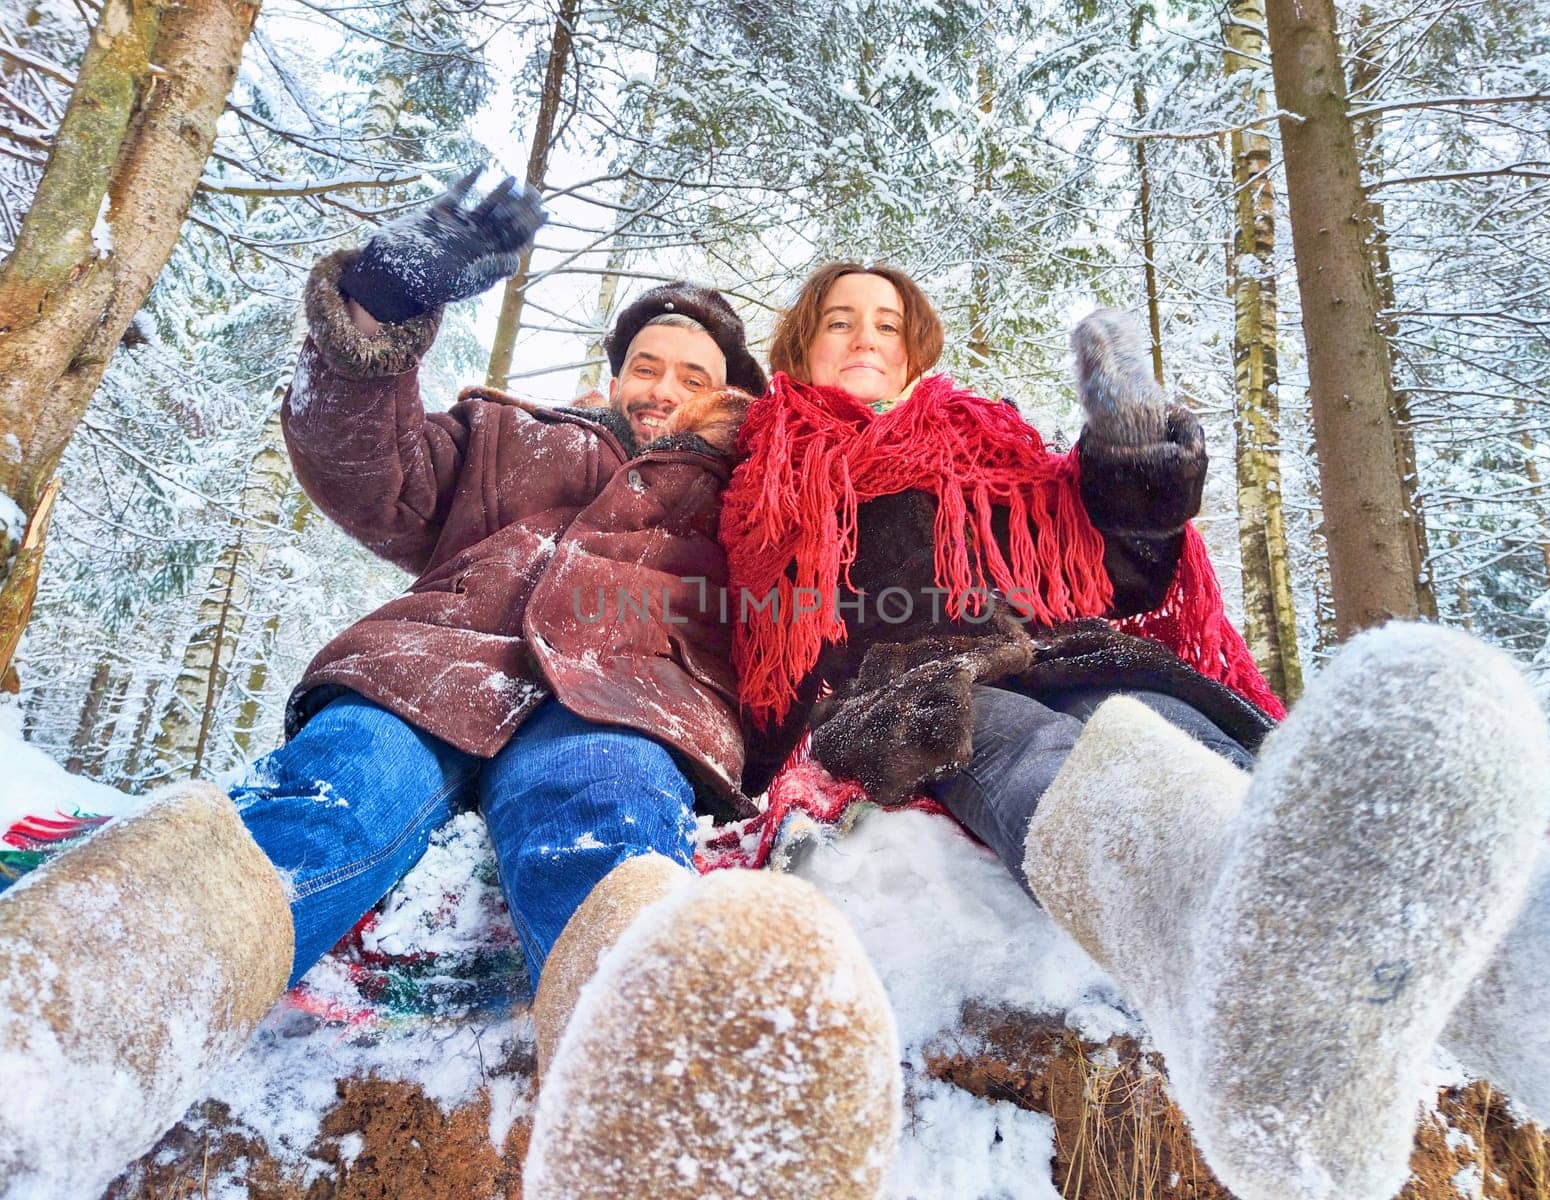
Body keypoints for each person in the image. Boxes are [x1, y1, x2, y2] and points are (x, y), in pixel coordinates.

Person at [0, 183, 902, 1200]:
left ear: (728, 392)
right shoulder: (512, 436)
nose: (661, 384)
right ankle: (53, 1045)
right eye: (644, 363)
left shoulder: (761, 485)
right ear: (612, 375)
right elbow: (367, 471)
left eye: (691, 373)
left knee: (606, 828)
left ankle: (667, 1131)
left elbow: (825, 596)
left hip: (632, 698)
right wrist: (379, 318)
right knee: (325, 802)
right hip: (427, 670)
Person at [721, 261, 1550, 1200]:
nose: (865, 338)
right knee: (1036, 757)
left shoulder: (983, 440)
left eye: (887, 325)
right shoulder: (764, 460)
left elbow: (1118, 574)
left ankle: (1543, 992)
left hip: (1062, 653)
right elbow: (745, 616)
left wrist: (1130, 461)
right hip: (913, 690)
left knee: (1186, 734)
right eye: (840, 322)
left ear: (915, 348)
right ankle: (1240, 968)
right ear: (800, 345)